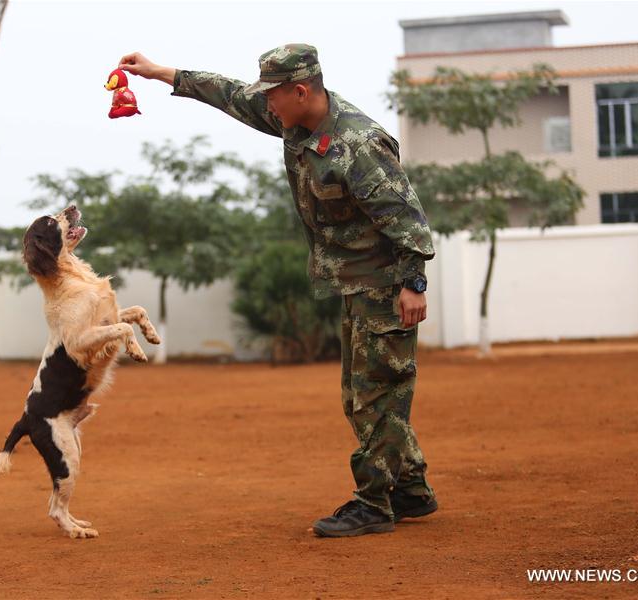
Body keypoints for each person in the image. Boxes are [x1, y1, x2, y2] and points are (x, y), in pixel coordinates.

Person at [118, 44, 438, 537]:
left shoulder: (359, 143)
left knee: (375, 396)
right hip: (354, 283)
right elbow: (228, 93)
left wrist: (413, 283)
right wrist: (163, 73)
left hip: (384, 283)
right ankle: (410, 489)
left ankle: (374, 503)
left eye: (272, 95)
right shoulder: (293, 121)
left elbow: (406, 219)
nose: (265, 104)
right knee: (364, 394)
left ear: (301, 91)